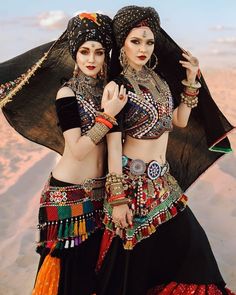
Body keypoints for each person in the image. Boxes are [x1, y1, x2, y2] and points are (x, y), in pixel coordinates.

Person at [96, 6, 235, 295]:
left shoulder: (158, 81)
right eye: (136, 41)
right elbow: (112, 145)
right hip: (132, 189)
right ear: (122, 41)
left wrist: (192, 80)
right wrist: (118, 197)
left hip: (164, 186)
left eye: (149, 41)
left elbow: (179, 121)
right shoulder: (116, 87)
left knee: (196, 253)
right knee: (131, 272)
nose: (143, 48)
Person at [0, 12, 127, 295]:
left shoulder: (110, 91)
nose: (91, 59)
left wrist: (118, 194)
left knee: (90, 274)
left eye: (98, 51)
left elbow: (115, 146)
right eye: (84, 51)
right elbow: (79, 149)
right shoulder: (66, 94)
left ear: (106, 55)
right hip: (66, 196)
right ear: (75, 54)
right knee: (66, 277)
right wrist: (107, 115)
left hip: (99, 195)